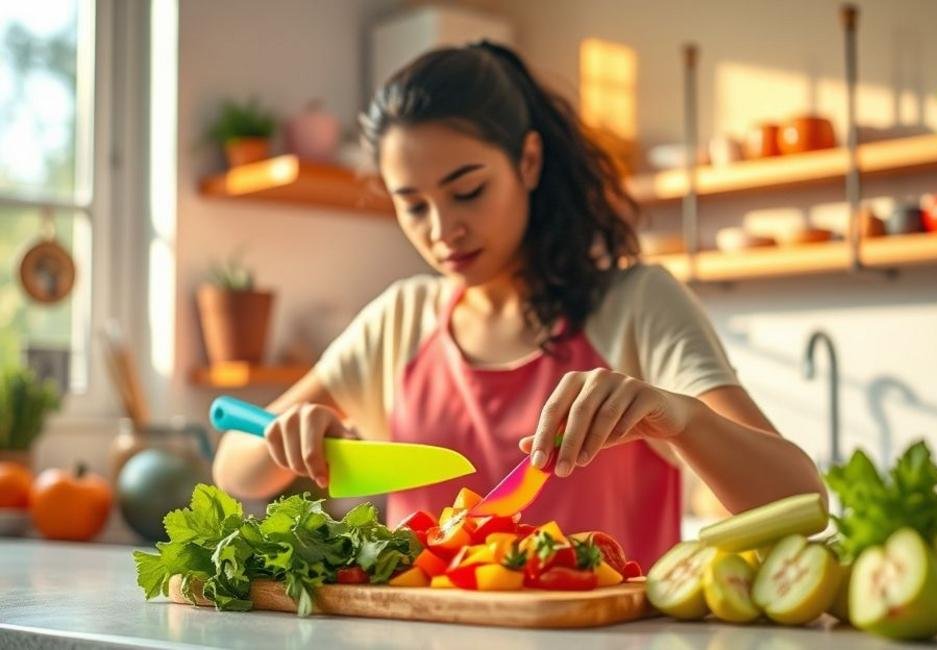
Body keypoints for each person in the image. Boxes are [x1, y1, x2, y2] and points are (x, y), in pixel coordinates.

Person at [212, 41, 825, 568]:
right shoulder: (400, 320)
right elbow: (234, 472)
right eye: (414, 205)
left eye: (468, 191)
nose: (442, 229)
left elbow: (802, 507)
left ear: (528, 161)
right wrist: (285, 437)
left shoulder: (636, 304)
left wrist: (681, 418)